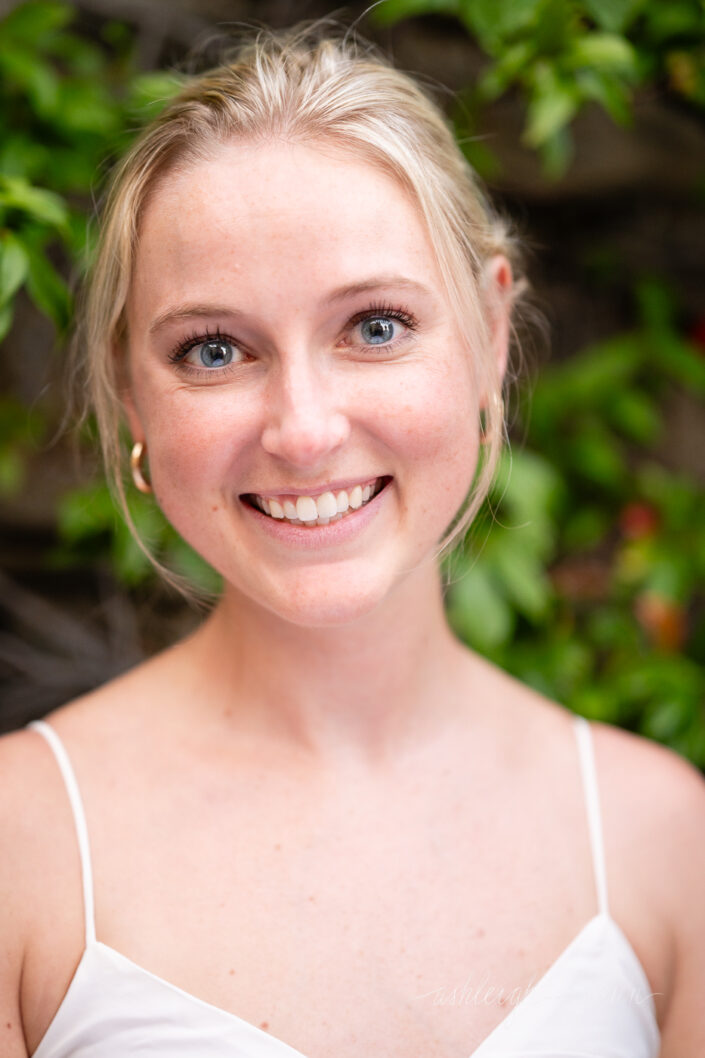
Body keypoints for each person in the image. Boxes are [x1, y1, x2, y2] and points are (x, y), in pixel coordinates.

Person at [1, 24, 703, 1058]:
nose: (303, 429)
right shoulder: (21, 847)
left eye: (374, 325)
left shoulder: (664, 839)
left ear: (489, 338)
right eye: (213, 347)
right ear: (129, 393)